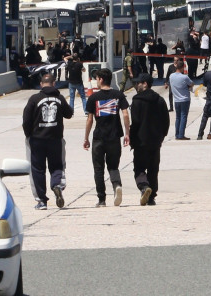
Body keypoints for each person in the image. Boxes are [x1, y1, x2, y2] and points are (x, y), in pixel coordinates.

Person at [22, 71, 73, 210]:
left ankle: (42, 201)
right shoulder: (60, 98)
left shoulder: (34, 98)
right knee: (57, 166)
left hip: (37, 139)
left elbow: (26, 119)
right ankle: (56, 185)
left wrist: (28, 135)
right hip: (55, 138)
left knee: (38, 169)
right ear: (54, 83)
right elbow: (69, 114)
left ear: (41, 84)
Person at [83, 69, 130, 207]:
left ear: (101, 79)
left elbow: (90, 120)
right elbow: (126, 114)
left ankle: (102, 200)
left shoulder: (93, 98)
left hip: (99, 137)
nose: (96, 82)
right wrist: (127, 133)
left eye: (96, 79)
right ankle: (116, 186)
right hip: (114, 136)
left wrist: (86, 138)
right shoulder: (118, 95)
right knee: (113, 166)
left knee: (98, 169)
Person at [129, 74, 169, 206]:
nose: (136, 86)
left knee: (139, 168)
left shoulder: (137, 101)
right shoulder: (160, 100)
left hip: (141, 141)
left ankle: (144, 187)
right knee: (153, 168)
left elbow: (135, 123)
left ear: (145, 84)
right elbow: (166, 121)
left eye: (138, 83)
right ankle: (151, 197)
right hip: (155, 141)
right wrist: (162, 136)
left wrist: (132, 139)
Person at [166, 58, 194, 140]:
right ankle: (181, 135)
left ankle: (177, 134)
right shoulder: (184, 77)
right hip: (185, 99)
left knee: (178, 117)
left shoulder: (171, 76)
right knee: (183, 117)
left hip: (176, 100)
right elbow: (191, 83)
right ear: (182, 67)